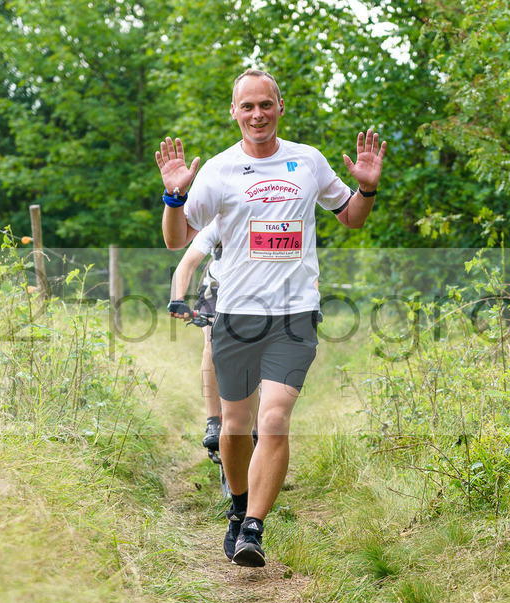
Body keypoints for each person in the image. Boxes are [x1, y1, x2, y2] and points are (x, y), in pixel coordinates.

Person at [155, 68, 385, 567]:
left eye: (265, 104)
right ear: (234, 113)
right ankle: (238, 508)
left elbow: (349, 215)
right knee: (236, 427)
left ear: (280, 107)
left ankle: (254, 528)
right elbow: (178, 241)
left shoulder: (309, 161)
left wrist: (365, 191)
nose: (257, 114)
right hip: (235, 316)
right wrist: (174, 197)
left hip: (294, 315)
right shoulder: (217, 170)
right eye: (247, 107)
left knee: (273, 419)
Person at [168, 219, 223, 456]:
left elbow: (306, 266)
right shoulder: (221, 223)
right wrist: (178, 299)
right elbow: (187, 264)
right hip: (218, 290)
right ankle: (214, 420)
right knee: (213, 340)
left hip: (262, 293)